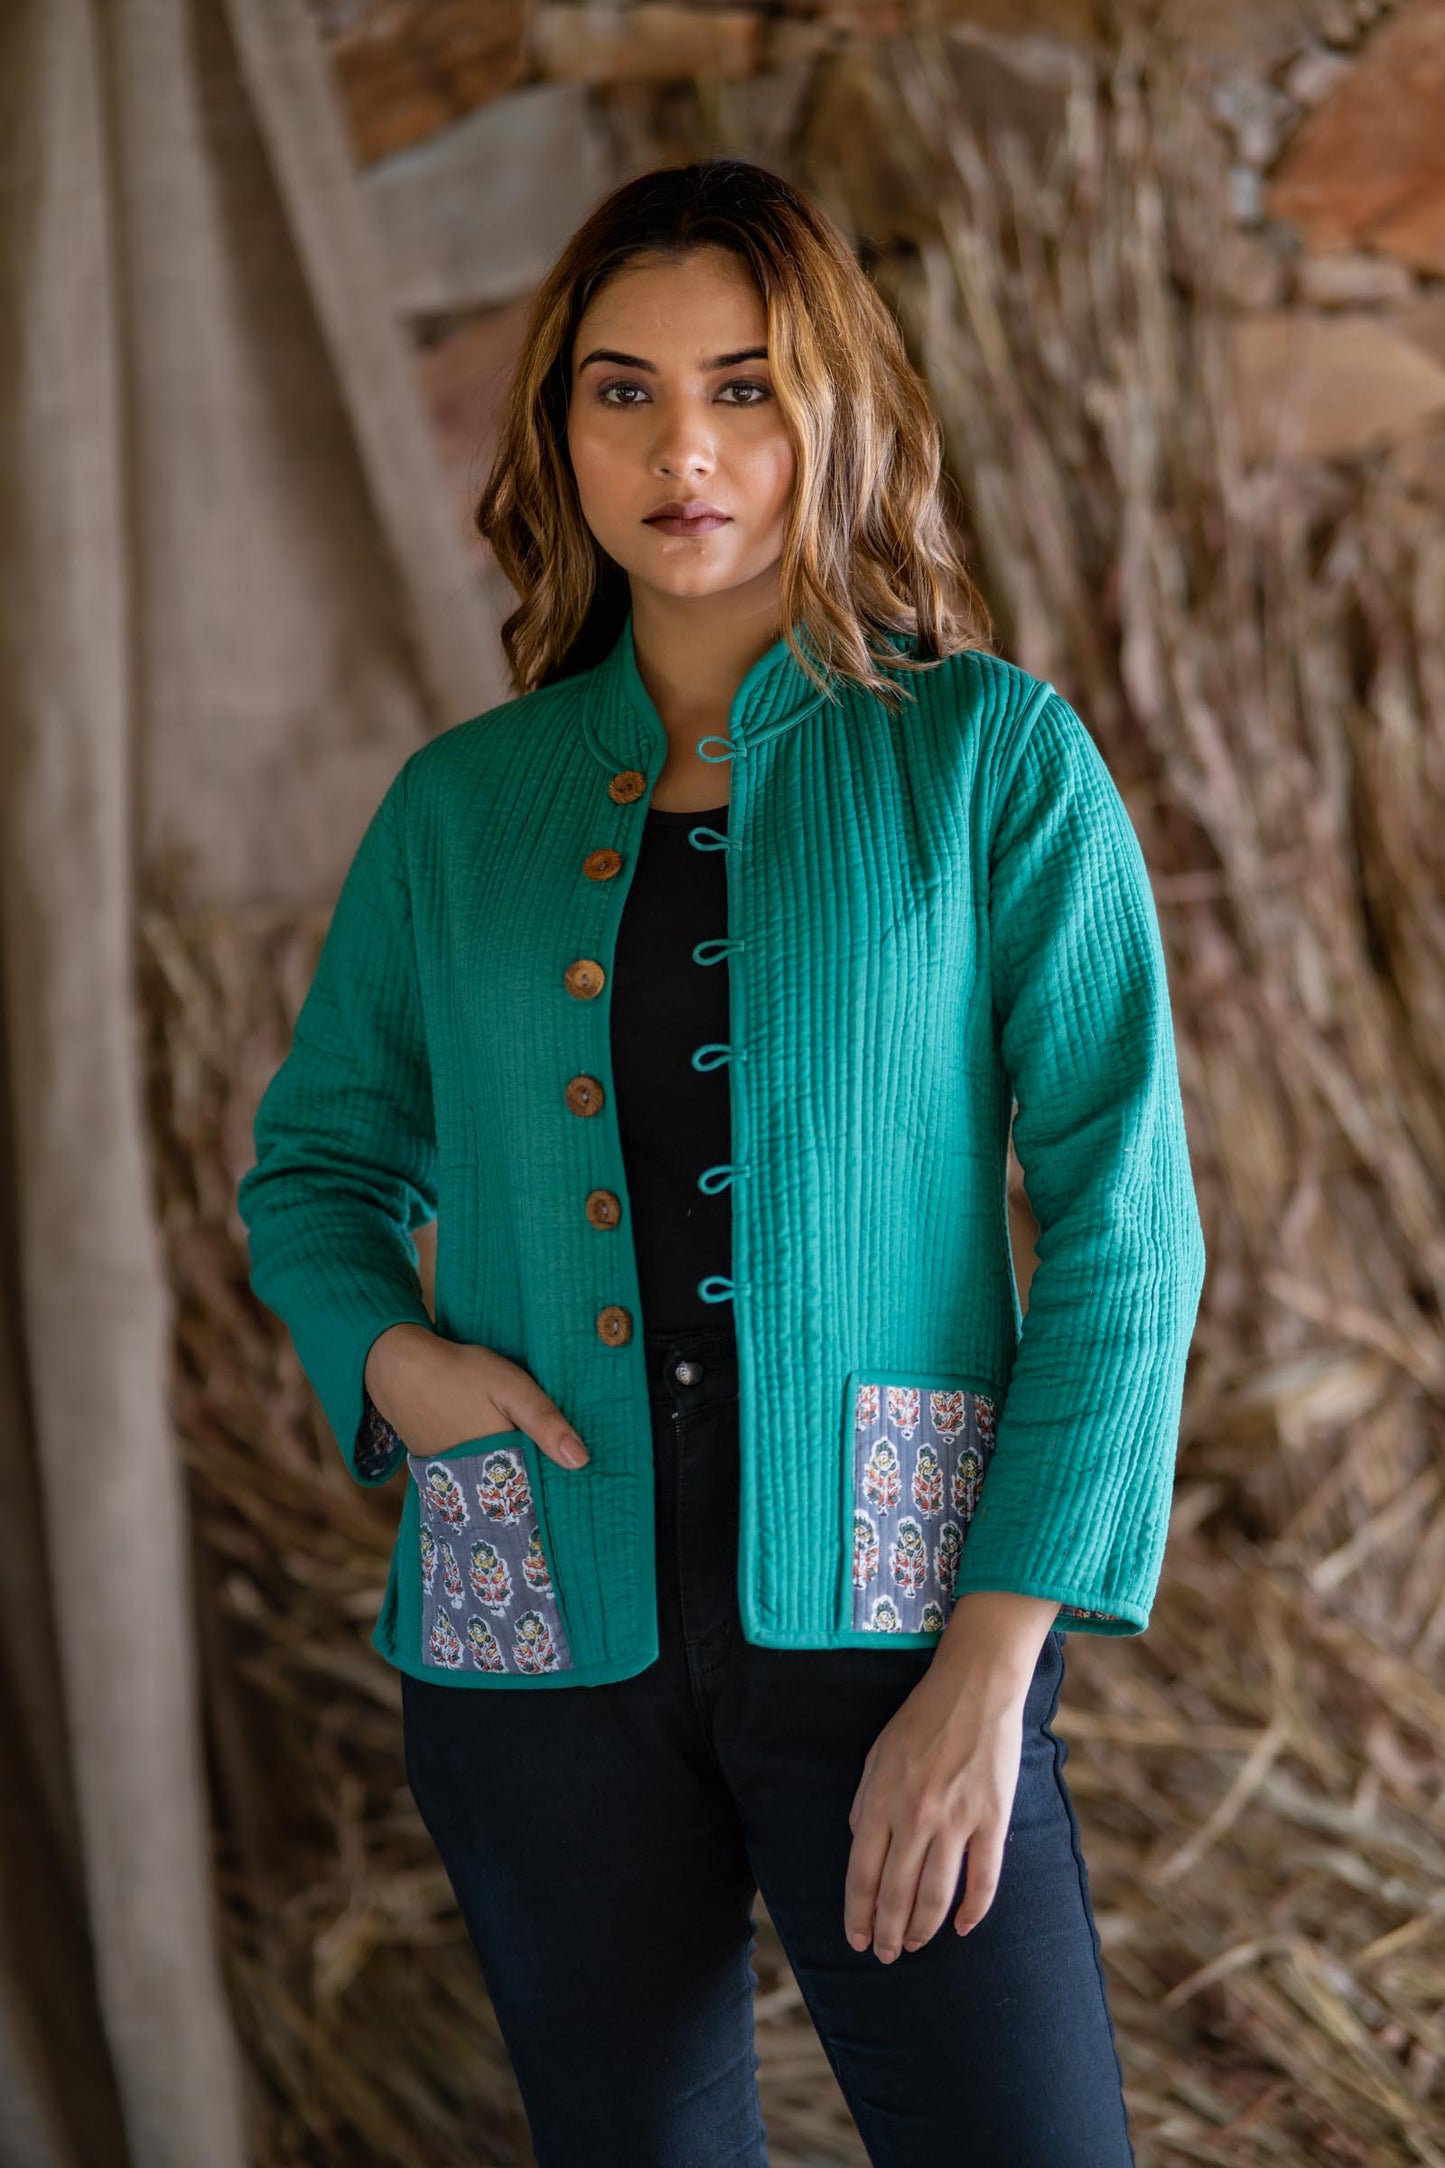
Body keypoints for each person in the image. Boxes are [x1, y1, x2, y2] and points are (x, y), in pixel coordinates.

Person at [237, 156, 1206, 2166]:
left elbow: (1125, 1228)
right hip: (530, 1639)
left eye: (743, 387)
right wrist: (396, 1366)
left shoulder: (985, 757)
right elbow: (316, 1168)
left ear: (833, 408)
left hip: (898, 1637)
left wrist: (993, 1668)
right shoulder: (460, 807)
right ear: (558, 428)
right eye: (625, 391)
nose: (682, 450)